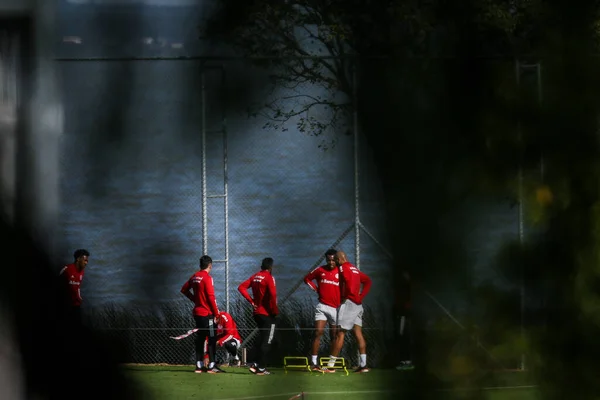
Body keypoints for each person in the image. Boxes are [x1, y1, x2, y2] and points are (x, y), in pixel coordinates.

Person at [325, 250, 372, 373]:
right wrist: (360, 296)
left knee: (340, 334)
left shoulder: (342, 268)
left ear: (340, 259)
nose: (334, 262)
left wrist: (346, 296)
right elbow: (367, 281)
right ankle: (364, 365)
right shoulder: (354, 268)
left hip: (349, 303)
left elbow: (345, 281)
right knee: (358, 334)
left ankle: (330, 366)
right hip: (358, 305)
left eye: (335, 260)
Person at [181, 255, 224, 374]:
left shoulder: (195, 276)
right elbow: (211, 297)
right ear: (210, 265)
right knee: (211, 338)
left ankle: (198, 365)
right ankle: (212, 365)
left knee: (200, 338)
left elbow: (184, 289)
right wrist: (217, 314)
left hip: (198, 313)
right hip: (208, 314)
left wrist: (195, 300)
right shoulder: (207, 278)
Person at [238, 257, 279, 376]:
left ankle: (255, 363)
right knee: (268, 340)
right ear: (271, 267)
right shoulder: (269, 278)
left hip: (257, 313)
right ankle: (261, 368)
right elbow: (273, 295)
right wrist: (275, 311)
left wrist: (251, 302)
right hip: (267, 314)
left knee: (261, 338)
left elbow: (241, 287)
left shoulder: (256, 276)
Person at [303, 248, 341, 371]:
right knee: (318, 333)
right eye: (329, 260)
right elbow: (307, 279)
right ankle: (314, 363)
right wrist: (316, 289)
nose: (331, 263)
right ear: (326, 259)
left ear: (337, 260)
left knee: (334, 336)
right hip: (322, 306)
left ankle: (331, 364)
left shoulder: (341, 272)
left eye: (333, 260)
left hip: (335, 308)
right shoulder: (320, 270)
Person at [58, 249, 90, 325]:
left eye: (87, 261)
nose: (86, 263)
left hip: (76, 304)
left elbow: (77, 286)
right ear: (78, 259)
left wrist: (79, 297)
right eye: (85, 260)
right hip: (65, 304)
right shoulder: (66, 269)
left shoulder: (82, 272)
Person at [395, 270, 414, 371]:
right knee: (403, 336)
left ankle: (407, 360)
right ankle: (404, 360)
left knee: (405, 336)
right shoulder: (403, 288)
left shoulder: (407, 288)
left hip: (406, 314)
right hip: (403, 313)